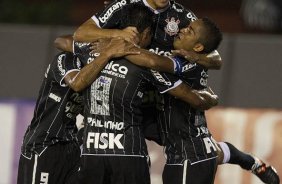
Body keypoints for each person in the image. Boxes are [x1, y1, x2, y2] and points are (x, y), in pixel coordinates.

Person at [74, 4, 219, 184]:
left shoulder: (179, 60)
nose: (182, 30)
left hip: (186, 153)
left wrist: (115, 47)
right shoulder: (156, 66)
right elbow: (75, 37)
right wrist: (115, 40)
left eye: (189, 31)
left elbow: (156, 61)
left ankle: (231, 155)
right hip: (163, 147)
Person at [17, 36, 141, 184]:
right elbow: (76, 83)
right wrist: (107, 54)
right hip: (44, 145)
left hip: (71, 146)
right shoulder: (66, 59)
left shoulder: (104, 69)